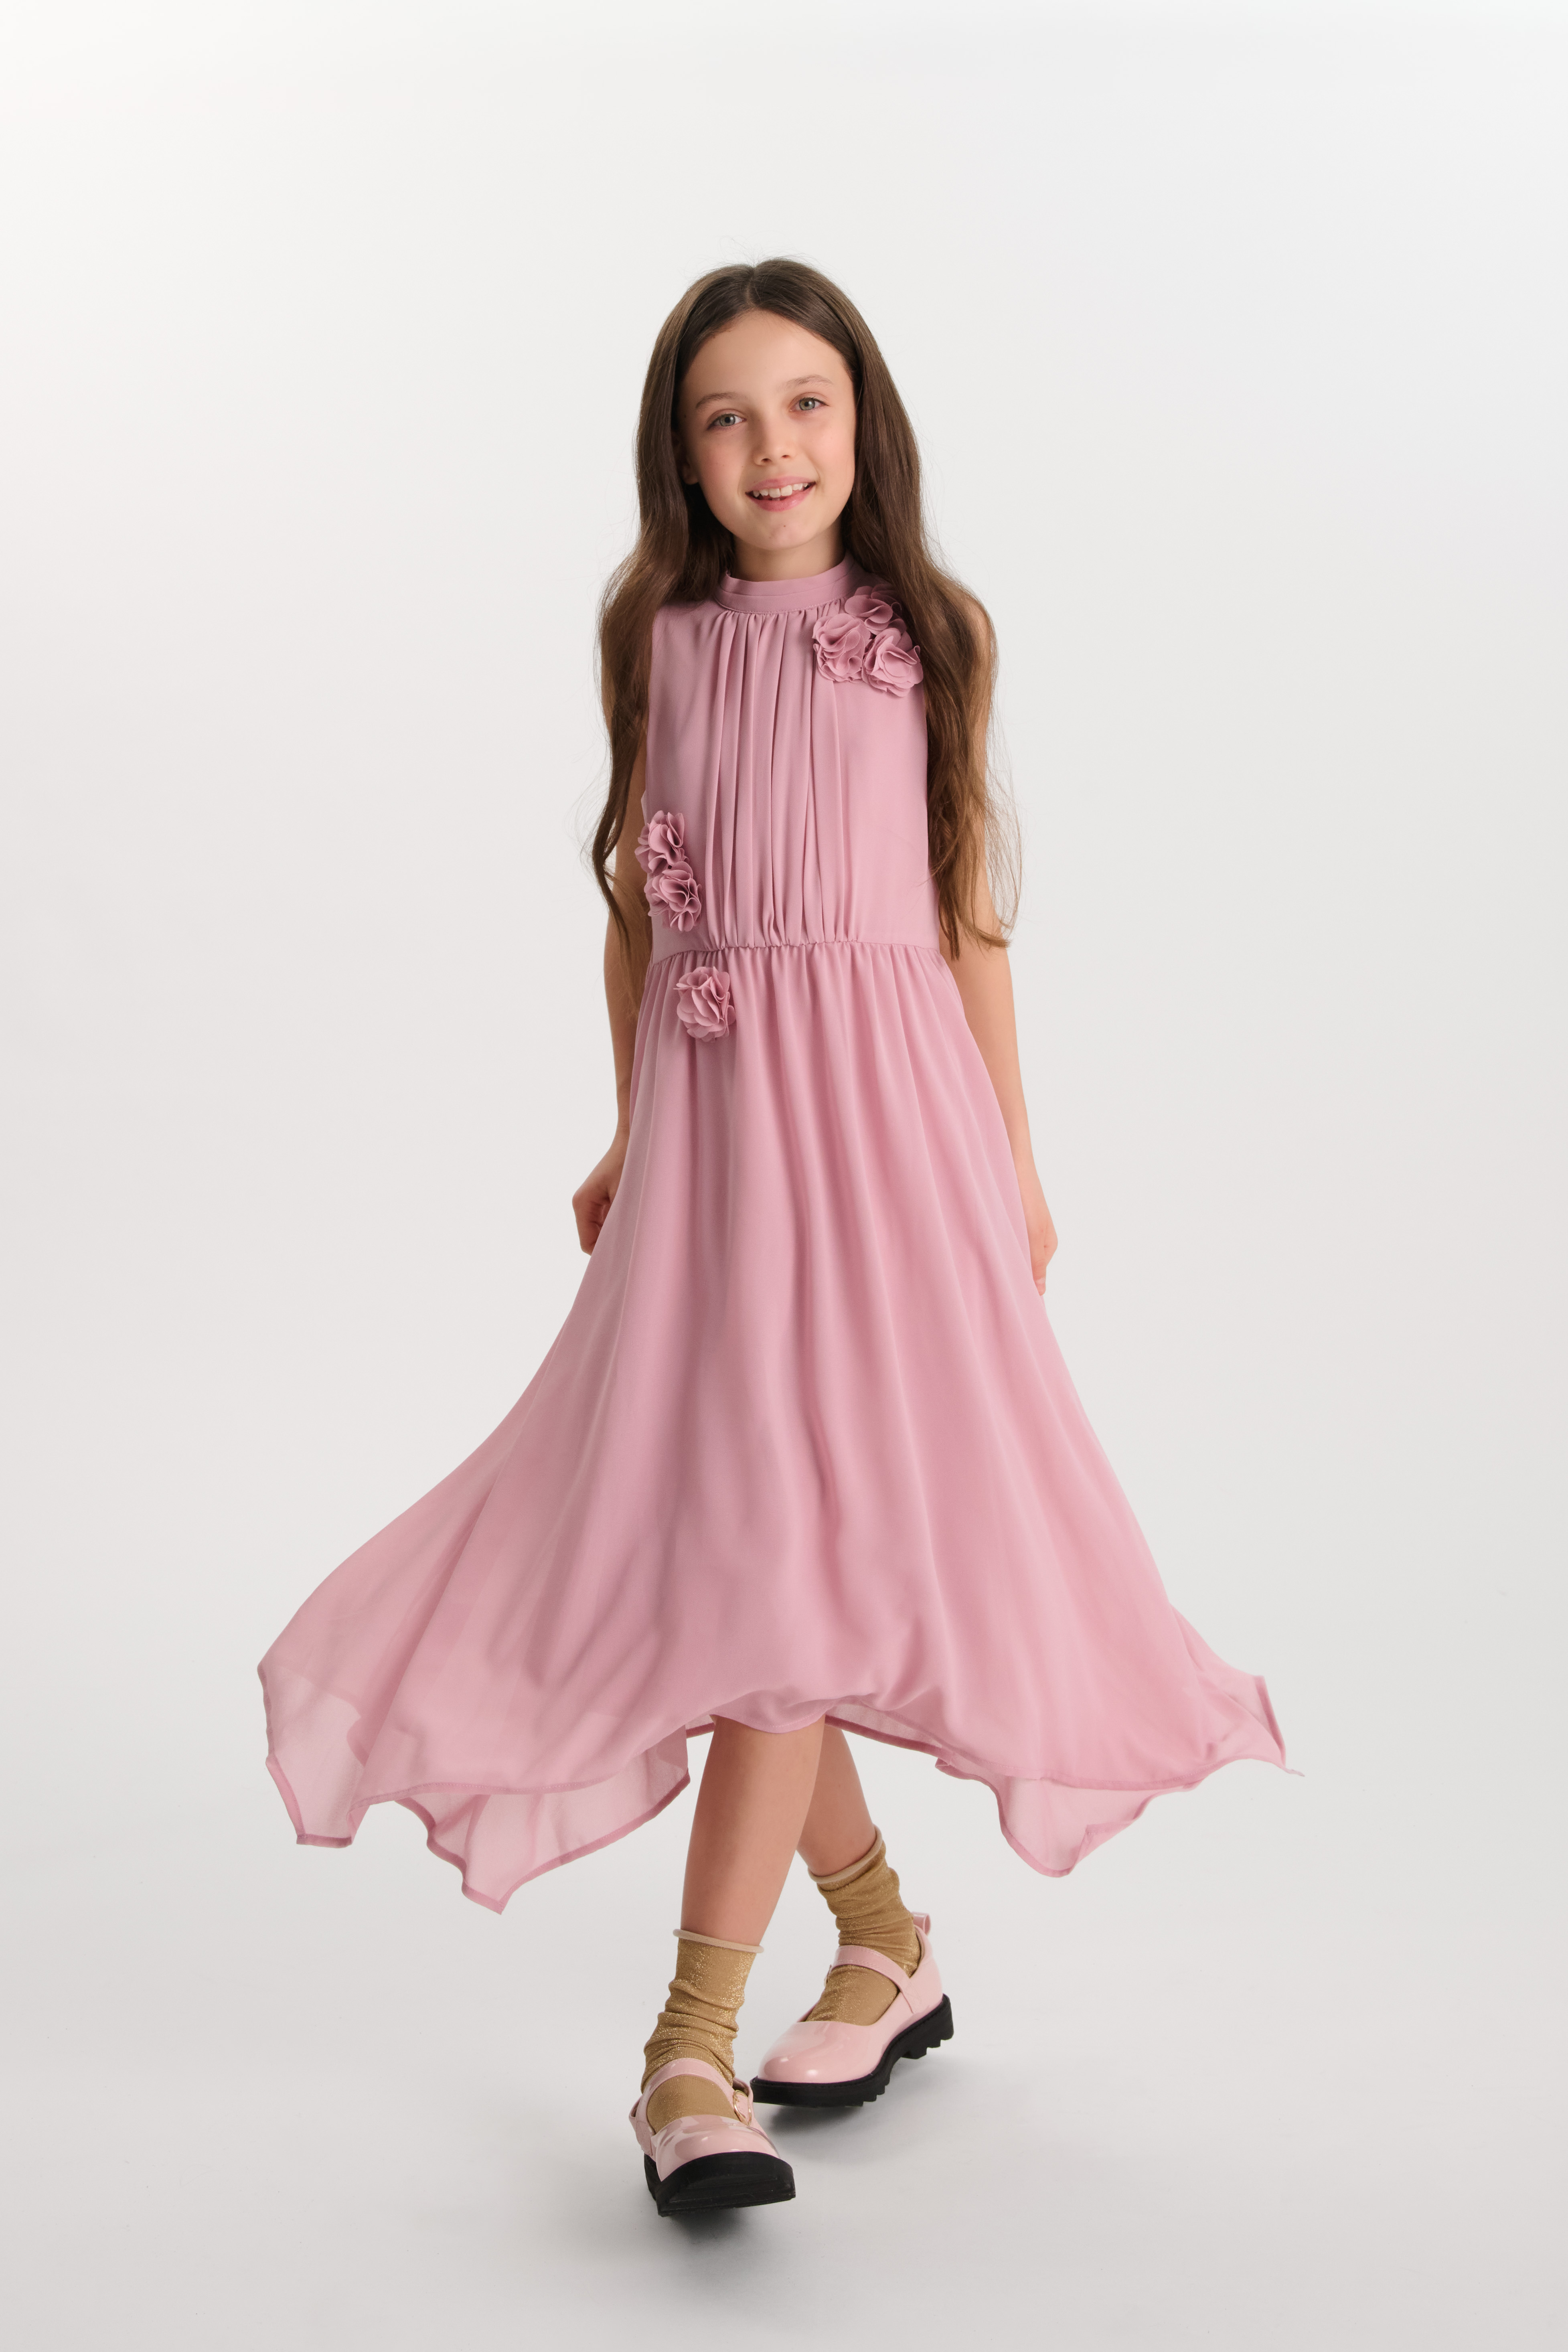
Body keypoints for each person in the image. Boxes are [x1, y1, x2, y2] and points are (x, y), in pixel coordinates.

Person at [258, 258, 1286, 2221]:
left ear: (862, 420)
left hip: (890, 1139)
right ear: (682, 454)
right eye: (725, 416)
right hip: (722, 1146)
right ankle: (886, 1942)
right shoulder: (658, 636)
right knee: (748, 1555)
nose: (773, 447)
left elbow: (967, 911)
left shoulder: (931, 632)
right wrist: (632, 1127)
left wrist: (1016, 1162)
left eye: (805, 404)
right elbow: (642, 914)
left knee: (792, 1564)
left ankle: (689, 2047)